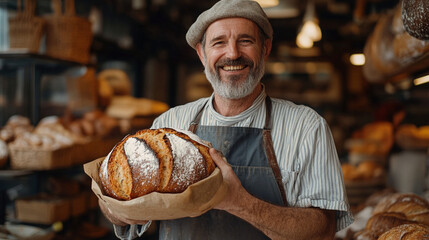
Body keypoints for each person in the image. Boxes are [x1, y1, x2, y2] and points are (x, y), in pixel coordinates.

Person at [99, 0, 354, 239]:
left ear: (265, 49)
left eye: (245, 41)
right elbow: (121, 210)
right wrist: (114, 208)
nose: (232, 54)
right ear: (202, 53)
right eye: (219, 42)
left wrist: (240, 203)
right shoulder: (171, 122)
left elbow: (323, 231)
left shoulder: (307, 128)